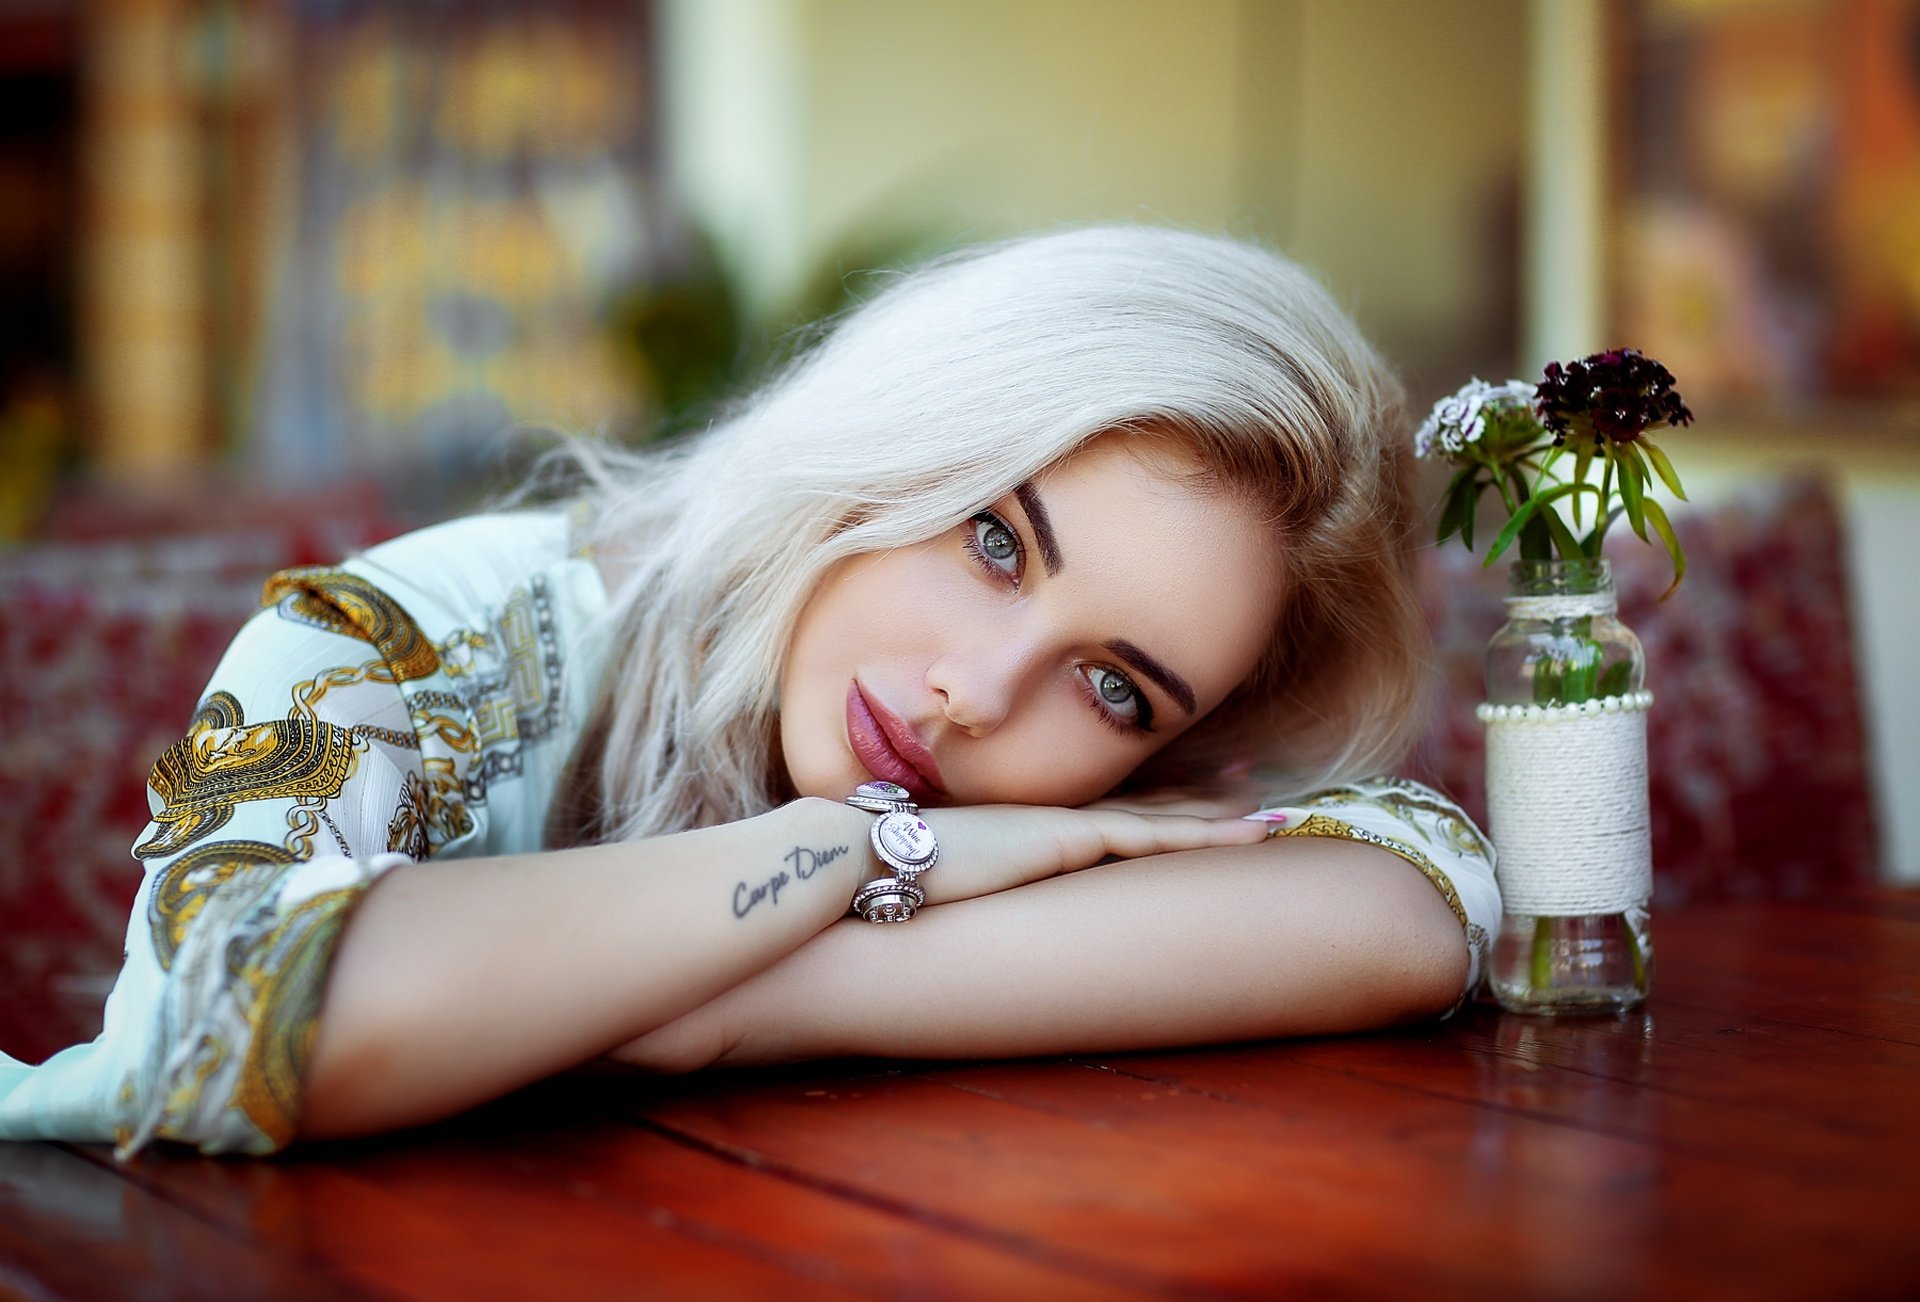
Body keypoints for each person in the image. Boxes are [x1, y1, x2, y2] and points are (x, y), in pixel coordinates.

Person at [0, 225, 1498, 1156]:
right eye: (993, 537)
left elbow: (1411, 909)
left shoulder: (1077, 800)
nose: (975, 693)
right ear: (905, 429)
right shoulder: (419, 639)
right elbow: (237, 1008)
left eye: (1116, 688)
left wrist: (725, 1005)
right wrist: (860, 851)